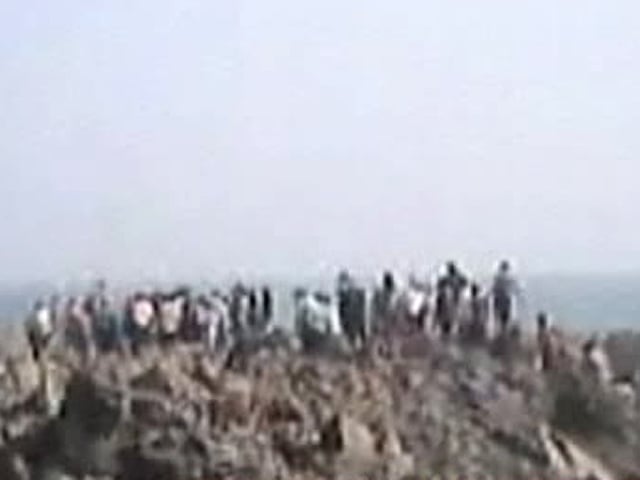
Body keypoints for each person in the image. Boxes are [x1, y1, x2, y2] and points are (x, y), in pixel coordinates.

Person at [490, 260, 521, 333]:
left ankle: (499, 329)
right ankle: (503, 328)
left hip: (498, 297)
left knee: (498, 313)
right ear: (507, 268)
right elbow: (516, 287)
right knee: (505, 314)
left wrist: (492, 293)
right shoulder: (510, 276)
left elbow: (494, 287)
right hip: (507, 297)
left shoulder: (497, 276)